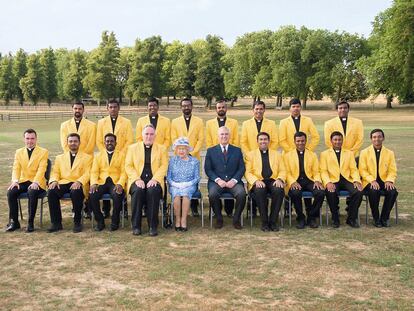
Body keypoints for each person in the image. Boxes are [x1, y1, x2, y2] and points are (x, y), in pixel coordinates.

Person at [125, 124, 168, 237]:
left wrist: (155, 179)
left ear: (155, 136)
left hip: (155, 179)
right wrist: (136, 179)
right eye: (146, 134)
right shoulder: (132, 148)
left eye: (151, 134)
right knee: (138, 191)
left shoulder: (162, 148)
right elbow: (128, 166)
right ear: (142, 135)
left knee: (152, 191)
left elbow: (164, 166)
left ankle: (153, 226)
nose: (149, 136)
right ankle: (136, 226)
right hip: (137, 179)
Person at [47, 133, 93, 233]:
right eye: (70, 141)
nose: (73, 143)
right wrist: (54, 180)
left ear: (79, 143)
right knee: (51, 192)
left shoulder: (87, 157)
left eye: (75, 141)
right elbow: (55, 172)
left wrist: (79, 182)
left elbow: (88, 173)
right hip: (63, 182)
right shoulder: (60, 157)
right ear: (67, 143)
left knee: (75, 192)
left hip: (78, 183)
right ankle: (56, 223)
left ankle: (77, 222)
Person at [96, 99, 133, 218]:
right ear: (107, 108)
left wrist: (118, 153)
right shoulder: (101, 122)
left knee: (121, 181)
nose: (113, 109)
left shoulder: (126, 122)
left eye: (115, 107)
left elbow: (129, 140)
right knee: (105, 180)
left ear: (119, 108)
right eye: (110, 107)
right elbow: (99, 140)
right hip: (105, 156)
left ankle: (124, 209)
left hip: (122, 155)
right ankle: (106, 209)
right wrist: (106, 153)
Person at [6, 129, 48, 232]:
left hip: (38, 182)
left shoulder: (43, 152)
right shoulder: (18, 152)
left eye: (32, 138)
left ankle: (30, 223)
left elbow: (42, 169)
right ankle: (14, 222)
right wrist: (15, 181)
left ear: (36, 139)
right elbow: (16, 168)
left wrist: (36, 182)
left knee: (32, 191)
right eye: (27, 138)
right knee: (11, 192)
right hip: (23, 181)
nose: (30, 141)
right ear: (24, 139)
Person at [205, 126, 246, 229]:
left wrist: (234, 180)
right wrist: (218, 180)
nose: (224, 136)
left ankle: (236, 219)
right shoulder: (211, 151)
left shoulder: (237, 150)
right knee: (213, 194)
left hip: (233, 182)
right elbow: (208, 169)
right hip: (217, 182)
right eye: (222, 134)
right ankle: (219, 218)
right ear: (218, 136)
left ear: (229, 136)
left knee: (241, 194)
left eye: (226, 134)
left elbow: (241, 168)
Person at [320, 131, 363, 228]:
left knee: (358, 192)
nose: (337, 142)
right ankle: (335, 219)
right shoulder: (324, 154)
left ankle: (351, 218)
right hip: (333, 179)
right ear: (331, 141)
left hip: (347, 179)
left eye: (339, 140)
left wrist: (356, 180)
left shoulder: (349, 153)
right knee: (331, 192)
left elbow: (353, 169)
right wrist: (327, 182)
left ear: (342, 141)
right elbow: (323, 171)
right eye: (335, 140)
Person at [244, 132, 286, 232]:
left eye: (265, 139)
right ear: (257, 141)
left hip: (273, 180)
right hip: (258, 181)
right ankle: (264, 222)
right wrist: (255, 181)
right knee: (260, 190)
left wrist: (280, 179)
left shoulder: (277, 154)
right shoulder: (250, 155)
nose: (263, 141)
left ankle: (273, 221)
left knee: (279, 190)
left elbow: (283, 170)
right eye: (261, 139)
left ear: (269, 141)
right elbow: (247, 172)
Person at [283, 132, 325, 229]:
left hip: (309, 180)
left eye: (302, 141)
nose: (300, 143)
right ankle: (300, 217)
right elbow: (286, 172)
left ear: (306, 141)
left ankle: (311, 216)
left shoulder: (312, 154)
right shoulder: (287, 155)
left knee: (320, 193)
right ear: (294, 142)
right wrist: (292, 182)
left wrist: (317, 180)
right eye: (298, 141)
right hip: (295, 180)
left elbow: (316, 171)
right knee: (295, 193)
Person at [205, 99, 239, 216]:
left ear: (226, 108)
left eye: (223, 107)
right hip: (215, 156)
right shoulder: (209, 123)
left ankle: (229, 210)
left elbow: (235, 139)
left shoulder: (233, 122)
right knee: (216, 185)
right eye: (219, 107)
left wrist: (229, 151)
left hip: (230, 153)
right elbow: (209, 140)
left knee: (229, 176)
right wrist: (215, 153)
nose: (221, 109)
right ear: (216, 109)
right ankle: (216, 210)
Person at [171, 98, 204, 216]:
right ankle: (179, 207)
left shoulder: (199, 121)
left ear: (192, 106)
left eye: (188, 105)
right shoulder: (175, 122)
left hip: (194, 157)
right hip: (179, 157)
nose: (186, 108)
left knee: (193, 182)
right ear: (181, 107)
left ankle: (194, 208)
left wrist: (192, 152)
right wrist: (183, 152)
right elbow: (174, 139)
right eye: (184, 106)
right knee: (180, 181)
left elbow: (201, 139)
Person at [359, 129, 398, 227]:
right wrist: (371, 180)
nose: (377, 139)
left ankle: (384, 218)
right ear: (371, 139)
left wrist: (389, 180)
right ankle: (376, 218)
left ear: (383, 138)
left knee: (392, 192)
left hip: (384, 180)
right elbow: (362, 170)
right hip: (369, 181)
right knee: (373, 191)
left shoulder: (390, 153)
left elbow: (392, 170)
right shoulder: (364, 152)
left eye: (379, 137)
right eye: (374, 137)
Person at [89, 133, 126, 231]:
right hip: (101, 182)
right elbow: (94, 171)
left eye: (112, 141)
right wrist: (93, 183)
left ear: (116, 143)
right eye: (107, 141)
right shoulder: (98, 155)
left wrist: (120, 184)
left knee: (117, 195)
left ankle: (115, 221)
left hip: (115, 182)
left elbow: (124, 172)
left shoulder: (122, 155)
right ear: (104, 143)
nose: (109, 143)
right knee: (92, 194)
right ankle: (100, 221)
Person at [167, 137, 200, 231]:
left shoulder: (194, 161)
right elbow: (169, 177)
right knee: (176, 195)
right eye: (179, 149)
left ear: (187, 150)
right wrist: (175, 184)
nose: (181, 151)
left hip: (189, 185)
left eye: (183, 149)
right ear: (176, 150)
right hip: (175, 185)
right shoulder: (172, 161)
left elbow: (197, 178)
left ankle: (184, 220)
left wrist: (187, 184)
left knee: (185, 194)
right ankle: (177, 220)